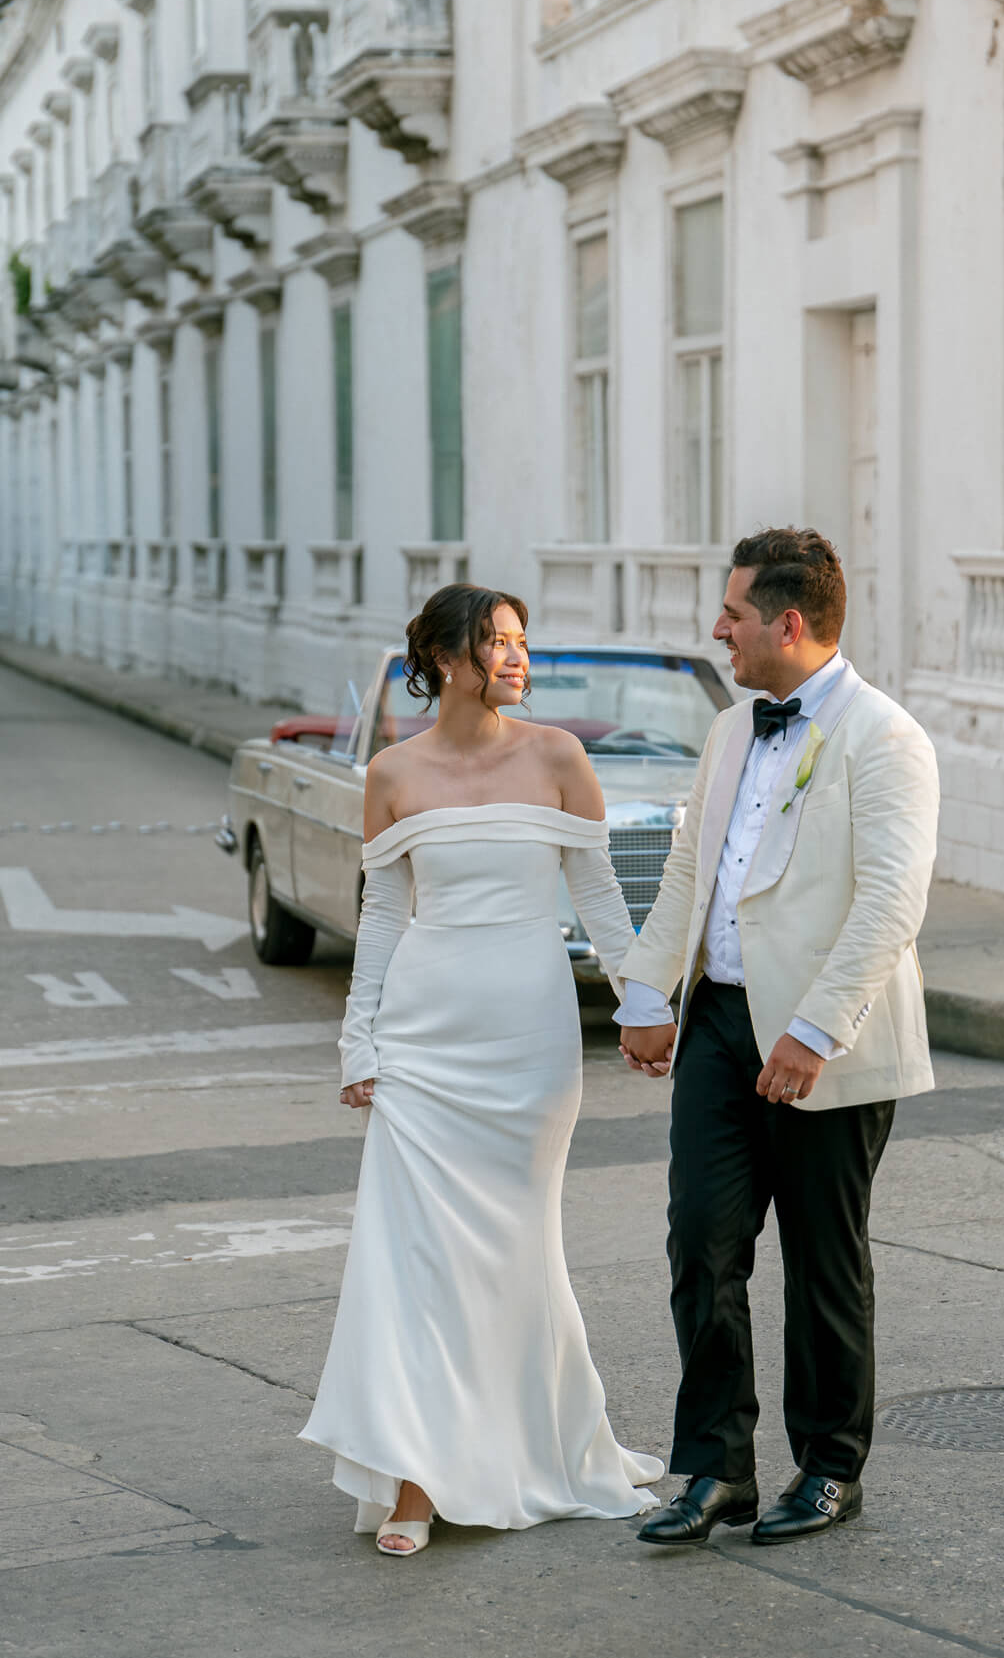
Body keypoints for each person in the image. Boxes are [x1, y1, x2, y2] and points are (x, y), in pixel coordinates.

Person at [298, 584, 662, 1553]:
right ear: (447, 660)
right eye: (497, 642)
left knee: (512, 1250)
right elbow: (381, 914)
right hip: (424, 1040)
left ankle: (526, 1442)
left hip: (529, 1040)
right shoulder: (391, 772)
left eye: (521, 640)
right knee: (413, 1260)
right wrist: (358, 1038)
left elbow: (599, 894)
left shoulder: (557, 757)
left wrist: (645, 1000)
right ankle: (415, 1477)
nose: (517, 656)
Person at [617, 527, 939, 1548]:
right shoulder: (728, 731)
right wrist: (646, 986)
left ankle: (831, 1466)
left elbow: (892, 900)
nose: (720, 628)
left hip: (823, 1035)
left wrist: (812, 1029)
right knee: (700, 1243)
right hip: (719, 1019)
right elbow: (687, 871)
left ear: (787, 622)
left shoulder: (886, 736)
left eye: (734, 614)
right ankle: (717, 1467)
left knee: (822, 1256)